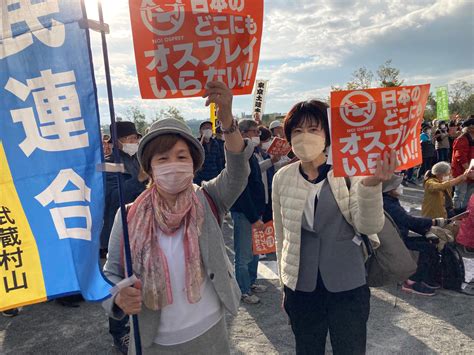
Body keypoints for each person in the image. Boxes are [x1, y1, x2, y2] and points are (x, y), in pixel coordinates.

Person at [103, 82, 252, 354]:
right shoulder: (127, 216)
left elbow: (238, 172)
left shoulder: (208, 199)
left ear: (194, 164)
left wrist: (228, 119)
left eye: (181, 156)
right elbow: (111, 273)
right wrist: (119, 297)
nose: (173, 164)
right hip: (153, 342)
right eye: (163, 158)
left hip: (211, 334)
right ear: (149, 168)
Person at [273, 100, 396, 354]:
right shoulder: (282, 178)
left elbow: (369, 224)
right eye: (297, 131)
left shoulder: (349, 171)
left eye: (313, 129)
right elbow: (281, 234)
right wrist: (285, 283)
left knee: (350, 348)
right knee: (307, 348)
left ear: (328, 134)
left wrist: (372, 185)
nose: (304, 136)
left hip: (347, 282)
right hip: (302, 286)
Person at [101, 121, 147, 354]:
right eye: (129, 138)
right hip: (118, 227)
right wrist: (138, 179)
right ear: (118, 141)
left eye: (135, 138)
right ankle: (119, 332)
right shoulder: (108, 164)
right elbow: (112, 198)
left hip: (142, 227)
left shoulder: (138, 159)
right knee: (119, 277)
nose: (134, 142)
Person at [382, 174, 446, 296]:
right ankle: (411, 281)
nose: (401, 187)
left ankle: (426, 276)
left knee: (431, 243)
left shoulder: (390, 200)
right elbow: (409, 221)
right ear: (390, 190)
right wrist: (433, 222)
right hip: (395, 241)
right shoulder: (388, 204)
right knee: (426, 247)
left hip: (399, 236)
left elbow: (407, 221)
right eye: (397, 185)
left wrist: (426, 230)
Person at [230, 119, 267, 304]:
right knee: (243, 254)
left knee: (254, 251)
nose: (257, 136)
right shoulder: (239, 156)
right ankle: (243, 290)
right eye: (254, 132)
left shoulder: (251, 153)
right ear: (243, 134)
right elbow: (242, 192)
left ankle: (251, 282)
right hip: (245, 213)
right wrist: (254, 217)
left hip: (255, 211)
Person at [451, 117, 474, 209]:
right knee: (460, 194)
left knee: (468, 195)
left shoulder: (471, 139)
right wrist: (469, 171)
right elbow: (460, 157)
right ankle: (456, 213)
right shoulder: (462, 139)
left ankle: (464, 214)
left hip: (470, 172)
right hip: (462, 172)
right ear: (470, 128)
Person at [193, 121, 225, 186]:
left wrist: (221, 175)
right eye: (205, 128)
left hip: (214, 177)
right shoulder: (196, 143)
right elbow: (193, 159)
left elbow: (218, 160)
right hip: (200, 178)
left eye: (209, 128)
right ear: (200, 131)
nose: (208, 130)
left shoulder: (215, 143)